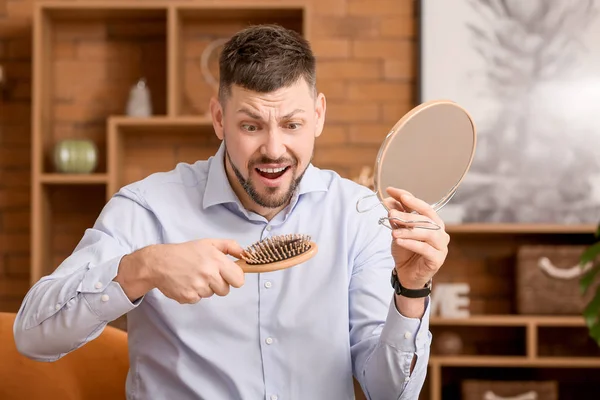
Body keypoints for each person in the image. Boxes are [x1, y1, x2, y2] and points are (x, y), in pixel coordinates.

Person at [13, 24, 449, 400]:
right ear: (219, 119)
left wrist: (410, 292)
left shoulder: (356, 216)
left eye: (292, 124)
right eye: (251, 125)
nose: (274, 149)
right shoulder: (148, 208)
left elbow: (390, 392)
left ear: (318, 116)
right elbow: (32, 336)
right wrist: (141, 268)